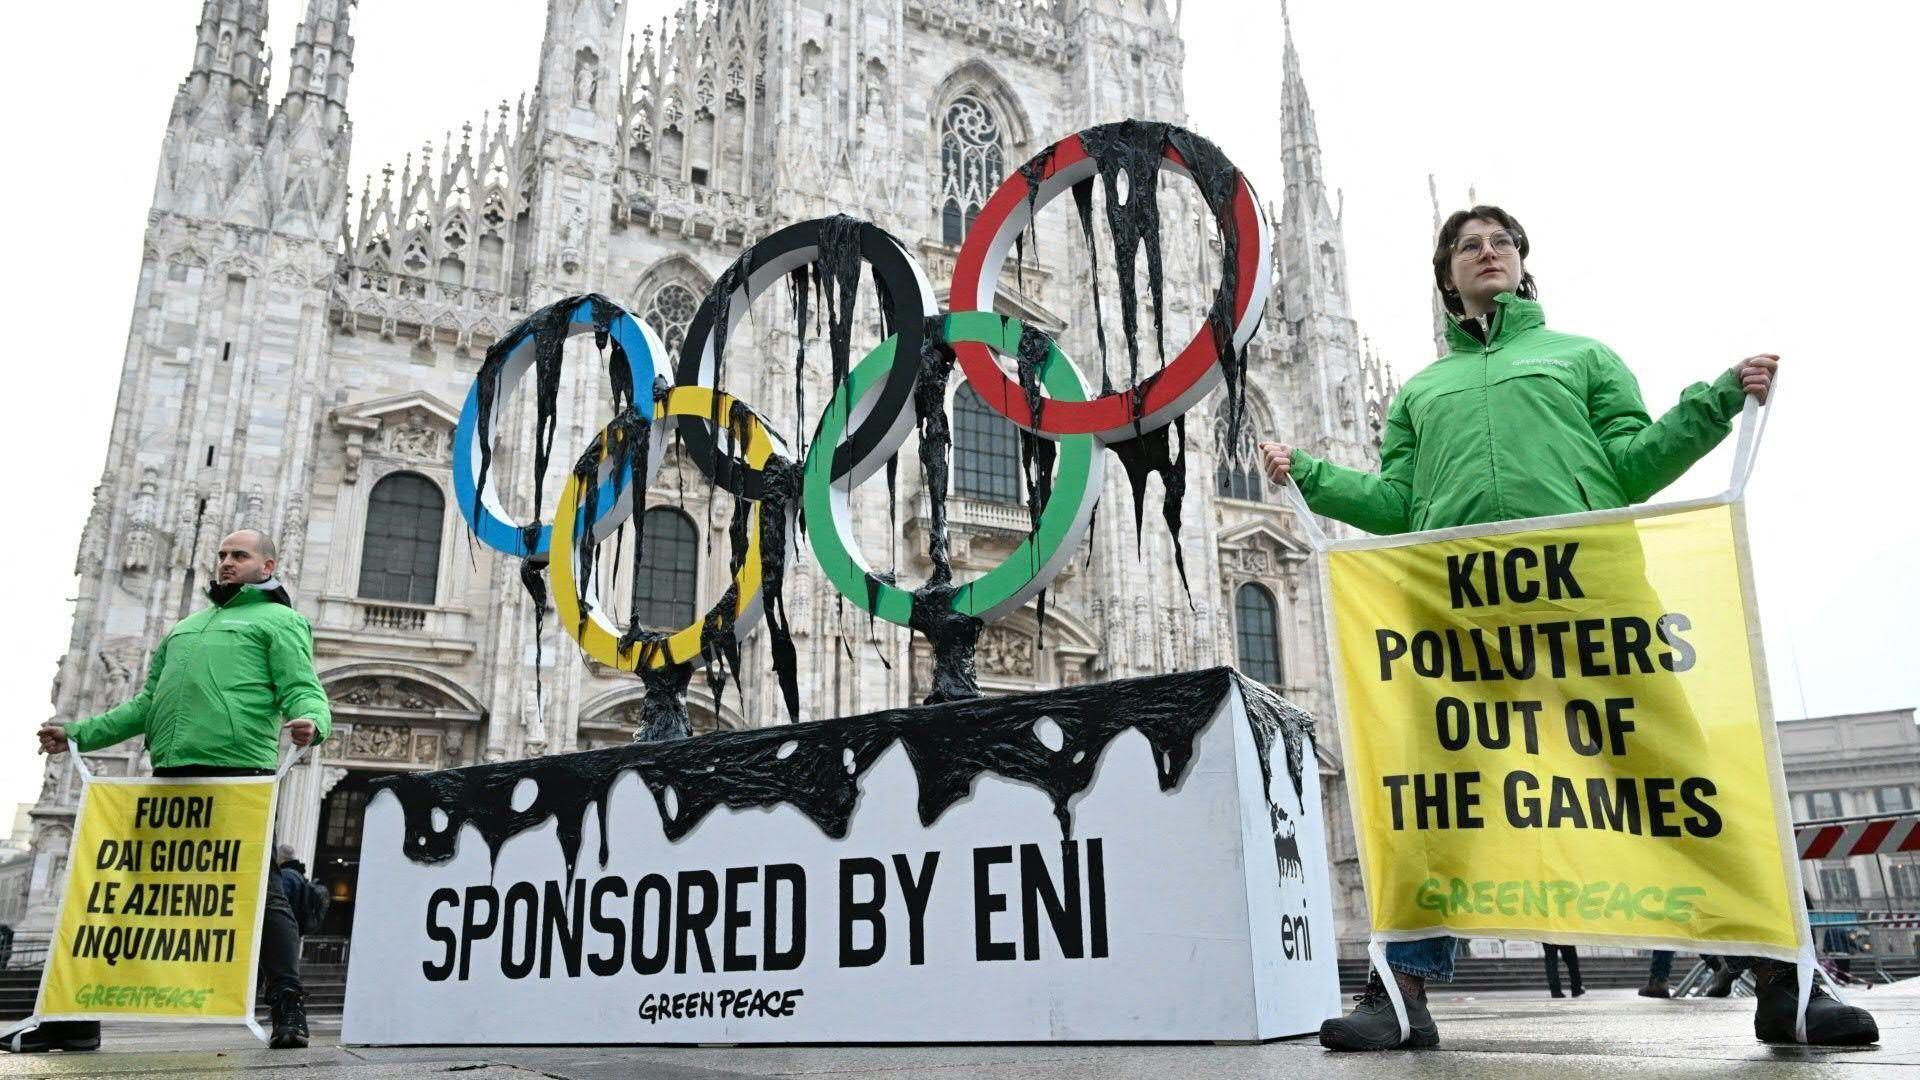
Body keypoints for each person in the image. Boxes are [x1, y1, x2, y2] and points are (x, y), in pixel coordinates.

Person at [1262, 206, 1876, 1051]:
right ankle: (1399, 994)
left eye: (1501, 243)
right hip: (1463, 610)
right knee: (1435, 800)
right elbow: (1400, 504)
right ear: (1447, 275)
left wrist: (1717, 399)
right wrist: (1315, 476)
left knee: (1685, 784)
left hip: (1590, 595)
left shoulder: (1579, 357)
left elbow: (1633, 461)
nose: (1488, 254)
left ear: (1521, 264)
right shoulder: (1420, 391)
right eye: (1470, 246)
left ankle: (1789, 982)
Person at [6, 531, 331, 1053]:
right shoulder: (186, 628)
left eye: (239, 556)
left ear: (267, 565)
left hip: (237, 775)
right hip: (170, 771)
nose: (226, 562)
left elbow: (302, 688)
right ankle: (76, 1014)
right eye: (223, 555)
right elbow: (145, 704)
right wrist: (78, 734)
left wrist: (312, 722)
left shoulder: (280, 621)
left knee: (260, 895)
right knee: (118, 893)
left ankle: (288, 1007)